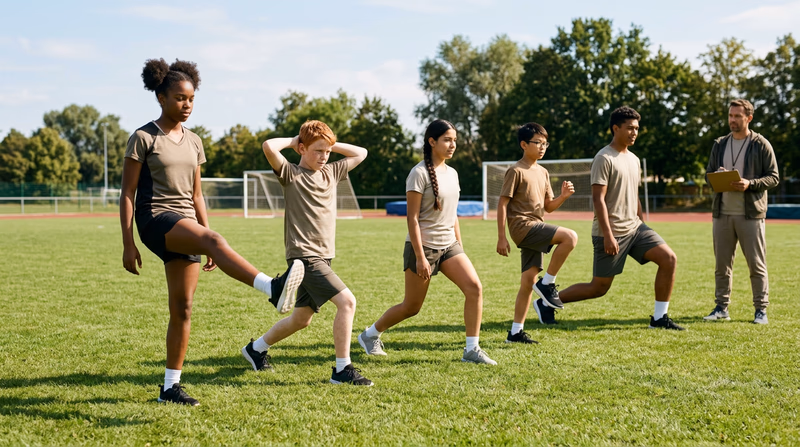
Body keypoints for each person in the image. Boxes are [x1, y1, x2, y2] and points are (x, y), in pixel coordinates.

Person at [121, 59, 304, 406]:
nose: (186, 105)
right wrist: (129, 243)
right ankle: (272, 287)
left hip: (186, 224)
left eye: (191, 99)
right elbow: (127, 193)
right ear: (160, 98)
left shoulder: (194, 141)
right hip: (155, 218)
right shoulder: (143, 137)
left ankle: (169, 388)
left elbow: (197, 194)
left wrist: (203, 237)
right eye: (179, 98)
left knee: (183, 308)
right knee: (216, 239)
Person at [241, 120, 373, 386]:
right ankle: (342, 369)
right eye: (317, 151)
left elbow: (362, 153)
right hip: (305, 257)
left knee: (301, 319)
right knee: (347, 302)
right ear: (301, 149)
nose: (324, 156)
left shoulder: (332, 172)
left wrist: (328, 144)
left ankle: (255, 349)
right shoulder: (290, 173)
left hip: (324, 257)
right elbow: (268, 146)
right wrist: (294, 141)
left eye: (327, 151)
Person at [358, 119, 497, 365]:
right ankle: (370, 335)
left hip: (449, 246)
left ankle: (471, 350)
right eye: (447, 139)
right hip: (423, 247)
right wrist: (421, 257)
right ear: (432, 142)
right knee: (412, 307)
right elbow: (412, 219)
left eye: (455, 139)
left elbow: (452, 214)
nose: (453, 144)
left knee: (475, 288)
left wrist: (459, 246)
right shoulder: (418, 173)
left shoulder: (453, 174)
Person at [544, 106, 684, 330]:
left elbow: (633, 194)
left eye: (637, 128)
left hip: (636, 229)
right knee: (598, 288)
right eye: (629, 128)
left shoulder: (635, 160)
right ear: (615, 128)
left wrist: (642, 222)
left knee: (669, 259)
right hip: (610, 232)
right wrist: (609, 236)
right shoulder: (603, 157)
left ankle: (659, 318)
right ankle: (547, 302)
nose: (634, 132)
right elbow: (598, 199)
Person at [496, 122, 577, 343]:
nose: (542, 147)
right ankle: (548, 283)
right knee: (570, 237)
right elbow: (502, 204)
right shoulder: (515, 171)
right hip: (523, 227)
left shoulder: (543, 172)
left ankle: (515, 332)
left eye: (545, 143)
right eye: (537, 143)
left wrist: (563, 197)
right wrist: (502, 237)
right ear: (524, 144)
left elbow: (548, 207)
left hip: (536, 225)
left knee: (527, 282)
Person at [704, 99, 779, 324]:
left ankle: (761, 310)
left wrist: (751, 183)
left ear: (749, 118)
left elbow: (774, 177)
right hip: (722, 214)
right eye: (730, 115)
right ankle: (721, 308)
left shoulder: (760, 144)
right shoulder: (719, 144)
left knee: (756, 264)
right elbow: (707, 175)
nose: (732, 120)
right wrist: (717, 175)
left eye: (737, 116)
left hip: (751, 214)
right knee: (722, 265)